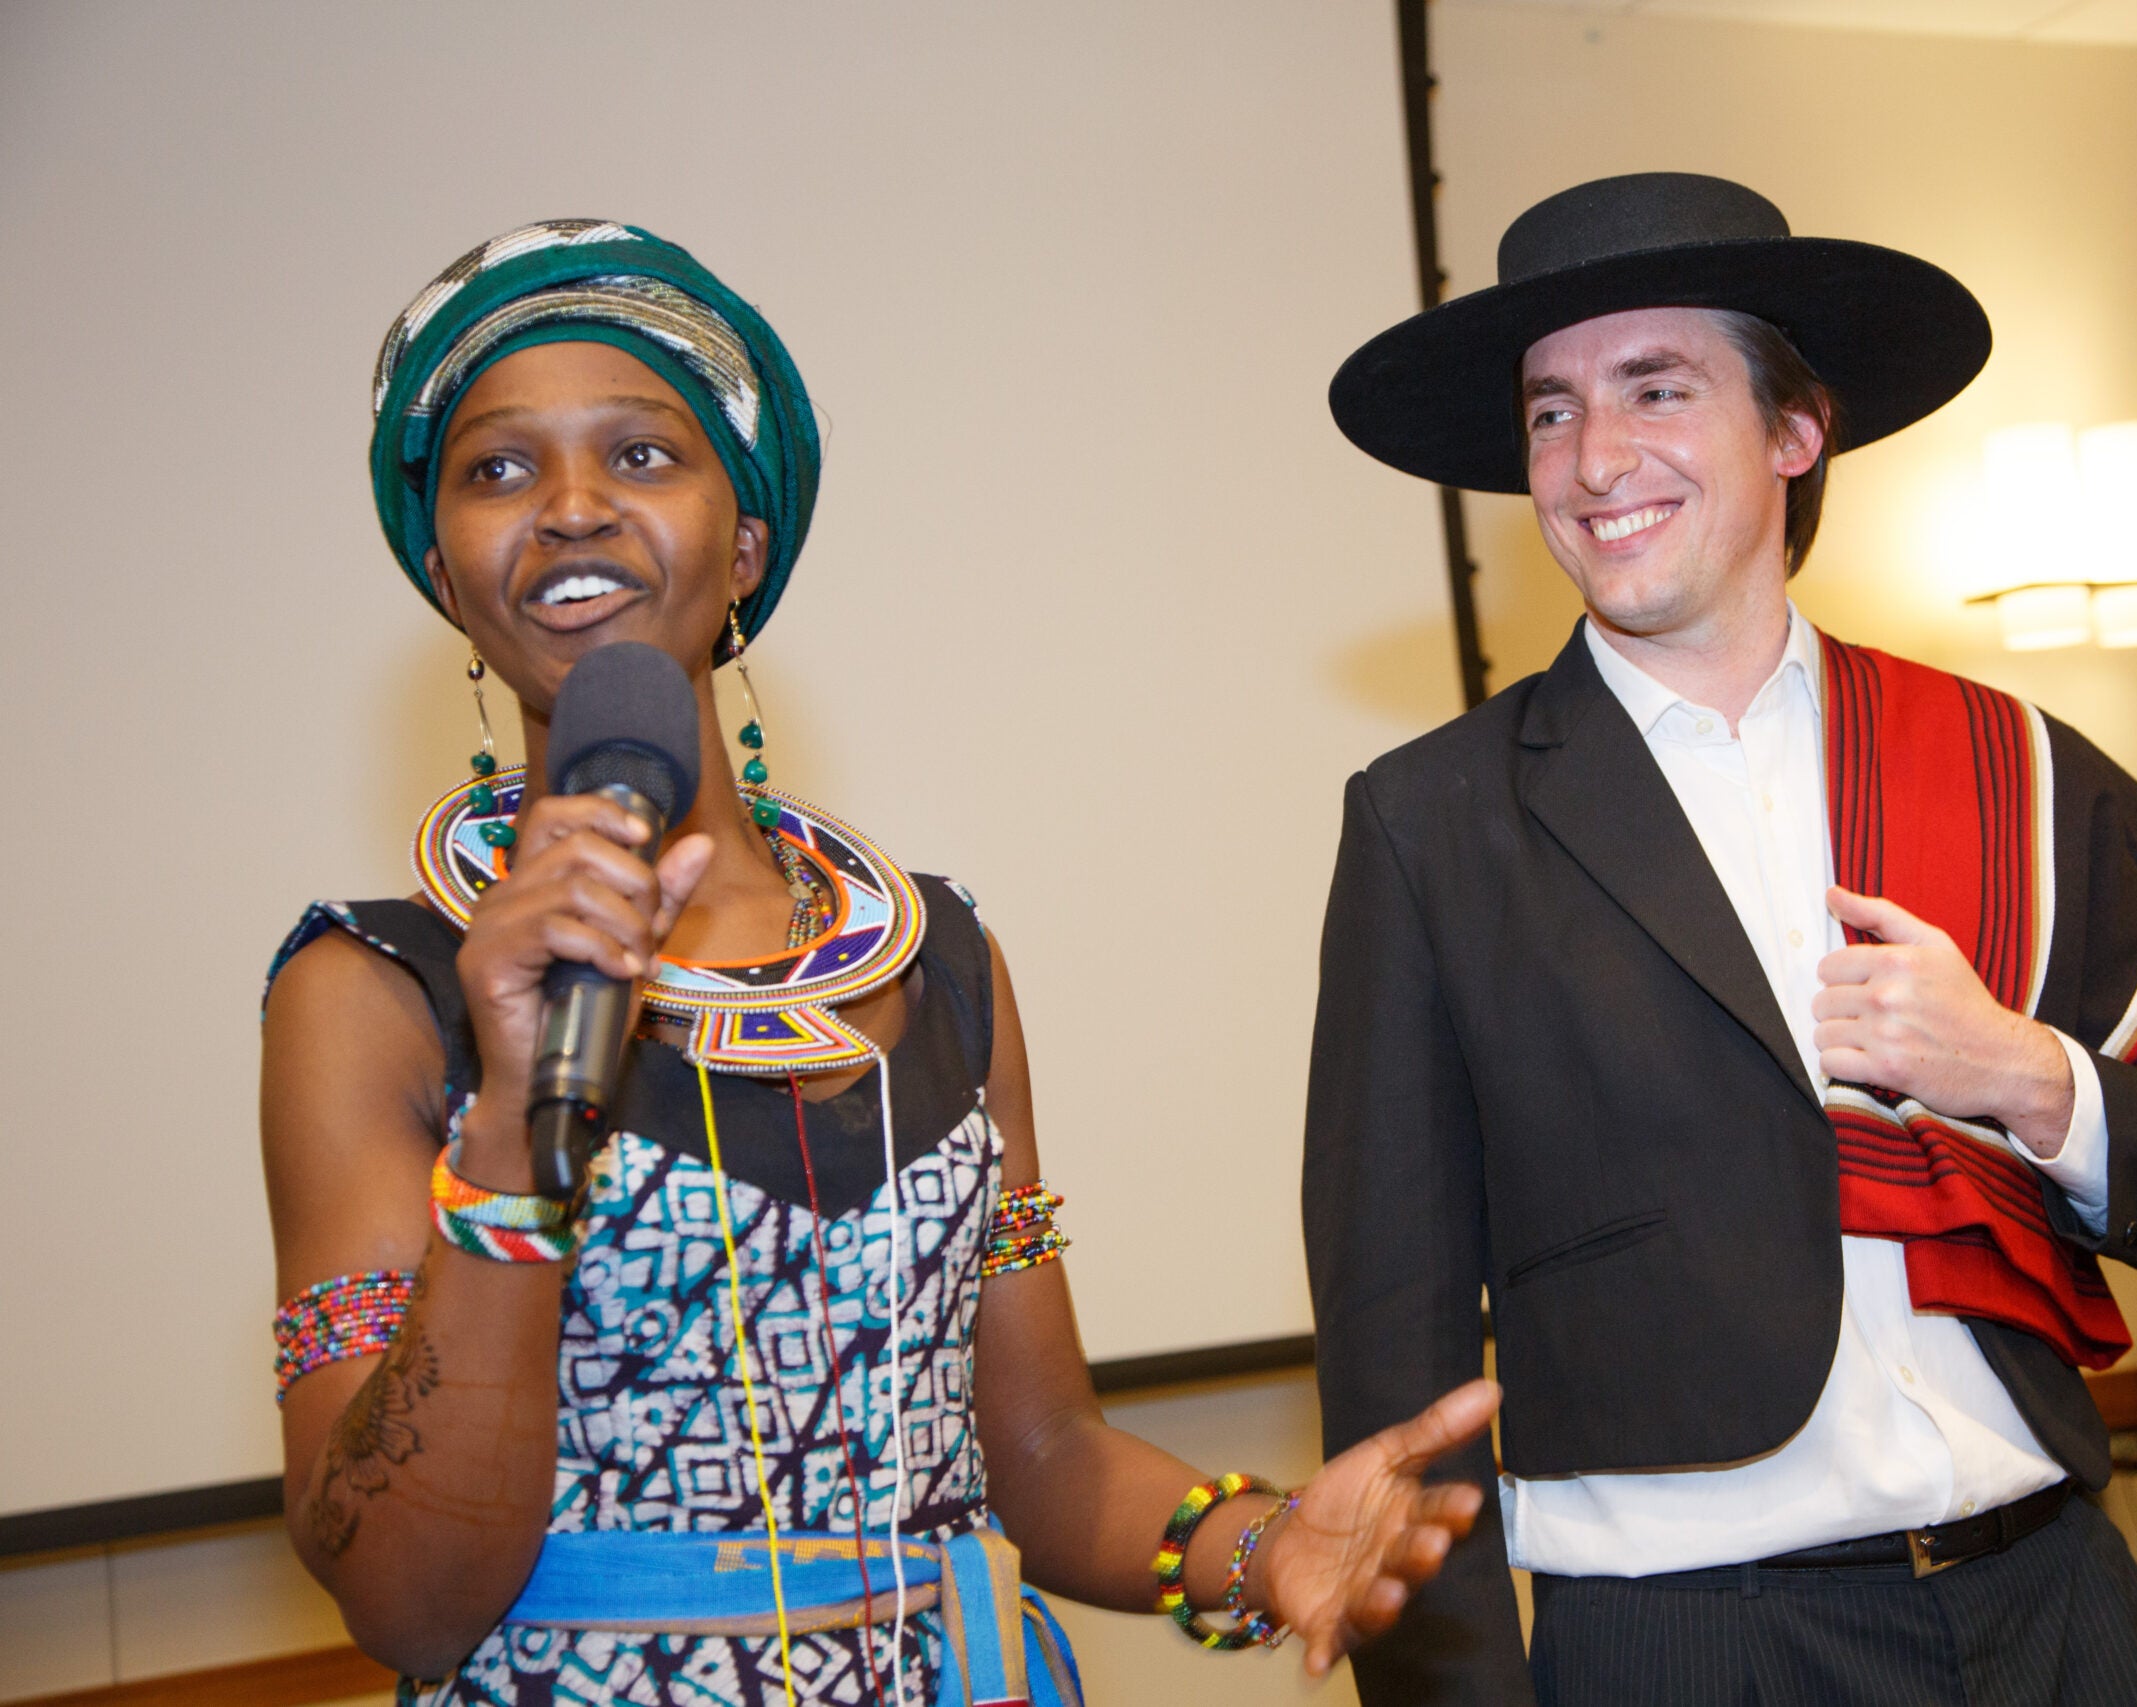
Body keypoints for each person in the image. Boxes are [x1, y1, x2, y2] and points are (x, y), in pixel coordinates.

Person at [261, 220, 1500, 1707]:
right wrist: (514, 1122)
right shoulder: (375, 992)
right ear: (452, 578)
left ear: (749, 546)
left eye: (643, 456)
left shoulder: (943, 957)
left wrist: (1264, 1544)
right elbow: (401, 1598)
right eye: (498, 468)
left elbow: (1042, 1458)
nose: (571, 507)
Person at [1304, 173, 2137, 1707]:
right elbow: (1393, 1350)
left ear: (1795, 427)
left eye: (1657, 388)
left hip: (2060, 1593)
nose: (1593, 458)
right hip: (1689, 1637)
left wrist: (2023, 1072)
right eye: (1551, 410)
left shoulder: (2004, 765)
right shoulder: (1432, 821)